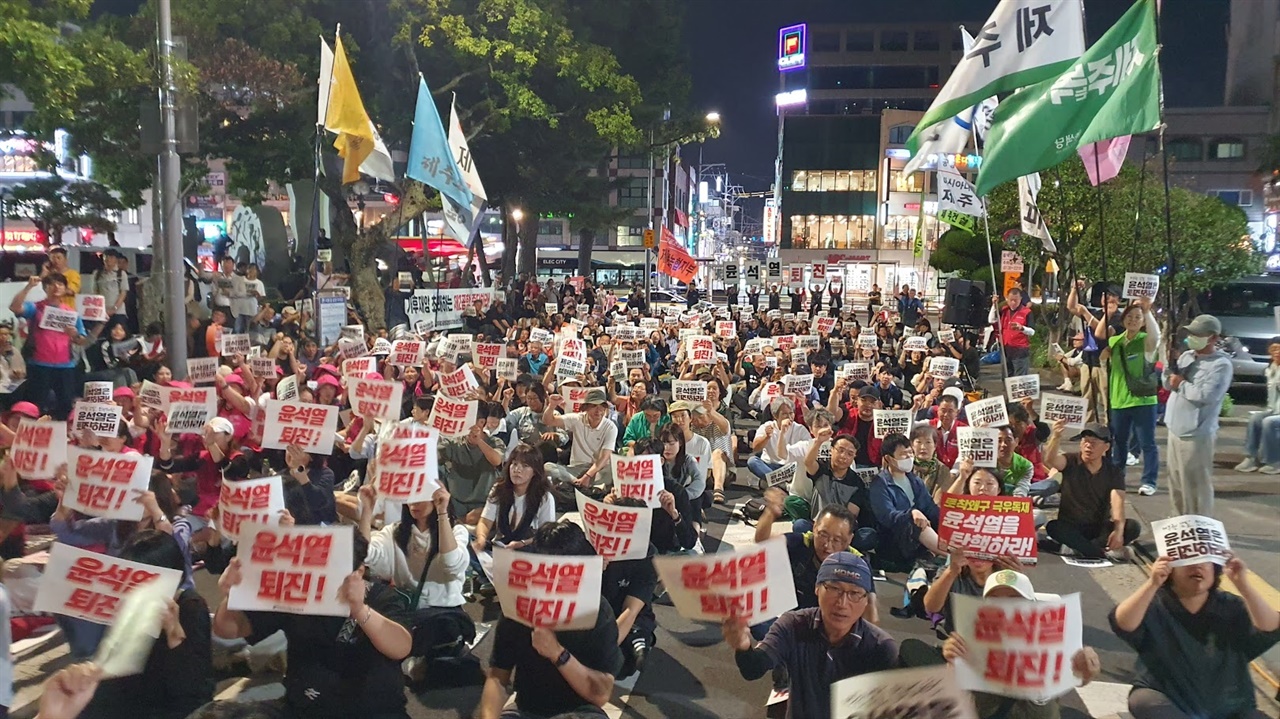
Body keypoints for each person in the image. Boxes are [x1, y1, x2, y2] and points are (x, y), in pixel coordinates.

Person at [206, 528, 414, 719]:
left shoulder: (382, 598)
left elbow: (400, 647)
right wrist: (233, 594)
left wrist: (359, 610)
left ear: (359, 572)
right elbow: (228, 629)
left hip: (371, 710)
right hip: (304, 707)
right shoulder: (297, 595)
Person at [720, 552, 897, 719]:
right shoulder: (793, 625)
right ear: (817, 589)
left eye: (855, 593)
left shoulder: (881, 647)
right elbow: (753, 669)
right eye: (834, 588)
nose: (842, 603)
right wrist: (742, 645)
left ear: (866, 600)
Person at [476, 522, 623, 719]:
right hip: (527, 709)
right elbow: (497, 678)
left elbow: (600, 694)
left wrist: (558, 654)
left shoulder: (598, 610)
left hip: (579, 711)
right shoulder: (517, 606)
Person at [1111, 554, 1280, 719]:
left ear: (1215, 571)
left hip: (1232, 707)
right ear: (1170, 569)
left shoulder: (1232, 605)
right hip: (1165, 698)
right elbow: (1122, 623)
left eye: (1206, 562)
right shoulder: (1154, 603)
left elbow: (1271, 627)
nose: (1197, 566)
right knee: (1144, 701)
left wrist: (1243, 584)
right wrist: (1152, 583)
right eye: (1188, 561)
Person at [79, 530, 213, 719]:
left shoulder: (191, 607)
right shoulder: (131, 600)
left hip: (171, 699)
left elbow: (191, 686)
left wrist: (174, 632)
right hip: (135, 687)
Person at [940, 569, 1102, 719]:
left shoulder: (1052, 636)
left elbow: (1076, 677)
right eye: (996, 600)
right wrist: (953, 662)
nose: (1005, 606)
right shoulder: (972, 633)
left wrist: (1087, 671)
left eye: (1013, 599)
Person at [359, 485, 474, 680]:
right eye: (410, 497)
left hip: (441, 610)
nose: (414, 503)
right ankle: (417, 658)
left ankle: (414, 657)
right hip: (407, 611)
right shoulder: (396, 532)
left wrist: (442, 513)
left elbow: (451, 564)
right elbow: (364, 554)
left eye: (421, 497)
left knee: (439, 626)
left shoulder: (456, 531)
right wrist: (367, 511)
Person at [1163, 314, 1233, 516]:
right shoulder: (1187, 356)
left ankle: (1199, 527)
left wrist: (1181, 384)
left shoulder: (1220, 365)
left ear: (1213, 338)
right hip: (1175, 427)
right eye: (1191, 333)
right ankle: (1178, 523)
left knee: (1195, 487)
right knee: (1175, 482)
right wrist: (1169, 369)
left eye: (1198, 334)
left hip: (1196, 434)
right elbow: (1168, 384)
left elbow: (1207, 395)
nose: (1192, 337)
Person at [1042, 421, 1141, 561]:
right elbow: (1050, 460)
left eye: (1094, 442)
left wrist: (1118, 532)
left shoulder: (1113, 472)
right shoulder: (1070, 460)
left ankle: (1080, 548)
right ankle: (1101, 553)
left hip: (1099, 528)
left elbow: (1117, 503)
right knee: (1054, 527)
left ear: (1106, 447)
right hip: (1071, 526)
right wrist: (1056, 436)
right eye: (1085, 441)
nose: (1088, 446)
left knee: (1132, 527)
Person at [10, 273, 93, 420]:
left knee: (66, 405)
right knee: (35, 405)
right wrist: (28, 287)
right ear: (45, 288)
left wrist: (74, 334)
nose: (56, 287)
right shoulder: (36, 308)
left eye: (60, 284)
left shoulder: (72, 313)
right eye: (52, 284)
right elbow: (15, 307)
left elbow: (81, 340)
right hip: (39, 364)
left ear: (66, 288)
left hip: (65, 366)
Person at [1100, 297, 1160, 495]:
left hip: (1143, 401)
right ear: (1123, 319)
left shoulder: (1145, 341)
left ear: (1143, 322)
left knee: (1147, 443)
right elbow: (1099, 334)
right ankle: (1118, 478)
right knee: (1119, 442)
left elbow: (1156, 337)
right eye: (1130, 316)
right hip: (1118, 401)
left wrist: (1148, 310)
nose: (1133, 320)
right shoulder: (1115, 341)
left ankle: (1149, 481)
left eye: (1138, 317)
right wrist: (1107, 312)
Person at [868, 432, 942, 567]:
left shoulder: (915, 480)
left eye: (910, 453)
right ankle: (950, 554)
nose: (908, 457)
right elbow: (887, 516)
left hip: (918, 539)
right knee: (914, 523)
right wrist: (911, 513)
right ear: (889, 458)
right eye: (903, 454)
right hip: (893, 540)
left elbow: (930, 508)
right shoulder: (880, 484)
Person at [542, 387, 617, 493]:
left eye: (602, 407)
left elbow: (604, 458)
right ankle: (578, 484)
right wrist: (552, 405)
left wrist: (587, 476)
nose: (598, 411)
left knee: (612, 469)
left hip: (597, 470)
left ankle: (586, 487)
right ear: (586, 407)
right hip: (576, 469)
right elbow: (548, 421)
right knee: (548, 467)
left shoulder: (610, 427)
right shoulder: (577, 419)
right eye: (594, 406)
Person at [1235, 336, 1280, 474]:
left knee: (1269, 423)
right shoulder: (1271, 368)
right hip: (1274, 409)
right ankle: (1251, 457)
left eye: (1279, 349)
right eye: (1273, 349)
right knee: (1255, 419)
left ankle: (1274, 461)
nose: (1277, 352)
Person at [991, 287, 1034, 377]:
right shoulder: (1004, 310)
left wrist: (1022, 328)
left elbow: (1032, 332)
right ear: (1007, 299)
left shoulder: (1026, 312)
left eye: (1016, 300)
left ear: (1020, 299)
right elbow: (991, 320)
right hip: (1006, 349)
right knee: (1006, 376)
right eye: (1011, 300)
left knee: (1019, 378)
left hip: (1020, 350)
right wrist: (994, 305)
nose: (1013, 303)